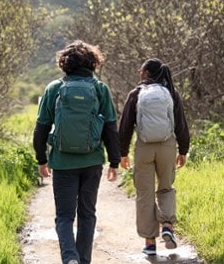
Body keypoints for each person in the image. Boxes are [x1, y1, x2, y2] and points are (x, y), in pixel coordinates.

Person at [33, 40, 120, 264]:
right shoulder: (100, 89)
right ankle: (83, 261)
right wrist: (114, 161)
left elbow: (41, 128)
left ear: (65, 63)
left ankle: (69, 258)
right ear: (93, 62)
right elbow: (110, 128)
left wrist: (42, 159)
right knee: (87, 214)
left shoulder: (54, 88)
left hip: (62, 163)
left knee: (64, 216)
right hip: (92, 162)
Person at [119, 58, 190, 256]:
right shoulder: (171, 94)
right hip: (167, 146)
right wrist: (183, 150)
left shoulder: (136, 94)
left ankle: (150, 242)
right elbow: (181, 125)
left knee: (144, 193)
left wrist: (122, 153)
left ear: (146, 73)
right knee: (166, 187)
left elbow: (125, 127)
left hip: (144, 147)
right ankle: (167, 225)